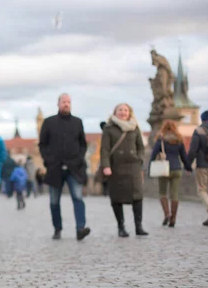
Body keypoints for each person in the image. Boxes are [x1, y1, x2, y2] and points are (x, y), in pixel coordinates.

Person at [39, 94, 91, 240]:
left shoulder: (77, 122)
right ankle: (57, 228)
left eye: (68, 102)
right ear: (58, 104)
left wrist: (79, 158)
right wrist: (48, 160)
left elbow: (83, 144)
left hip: (74, 167)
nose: (66, 104)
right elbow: (43, 144)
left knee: (78, 198)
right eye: (64, 102)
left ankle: (80, 228)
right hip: (54, 167)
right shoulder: (49, 122)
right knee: (54, 201)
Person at [100, 103, 148, 237]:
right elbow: (105, 149)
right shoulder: (109, 129)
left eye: (126, 110)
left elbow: (141, 147)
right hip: (116, 167)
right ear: (115, 112)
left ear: (130, 113)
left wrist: (140, 159)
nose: (123, 112)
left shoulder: (135, 127)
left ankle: (139, 226)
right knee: (117, 198)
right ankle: (121, 227)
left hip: (133, 166)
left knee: (137, 196)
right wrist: (106, 166)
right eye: (120, 110)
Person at [149, 120, 192, 227]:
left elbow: (153, 155)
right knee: (175, 194)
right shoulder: (179, 140)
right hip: (176, 169)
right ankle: (173, 218)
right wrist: (188, 167)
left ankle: (167, 214)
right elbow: (184, 157)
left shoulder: (161, 140)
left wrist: (149, 168)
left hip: (163, 169)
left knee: (162, 193)